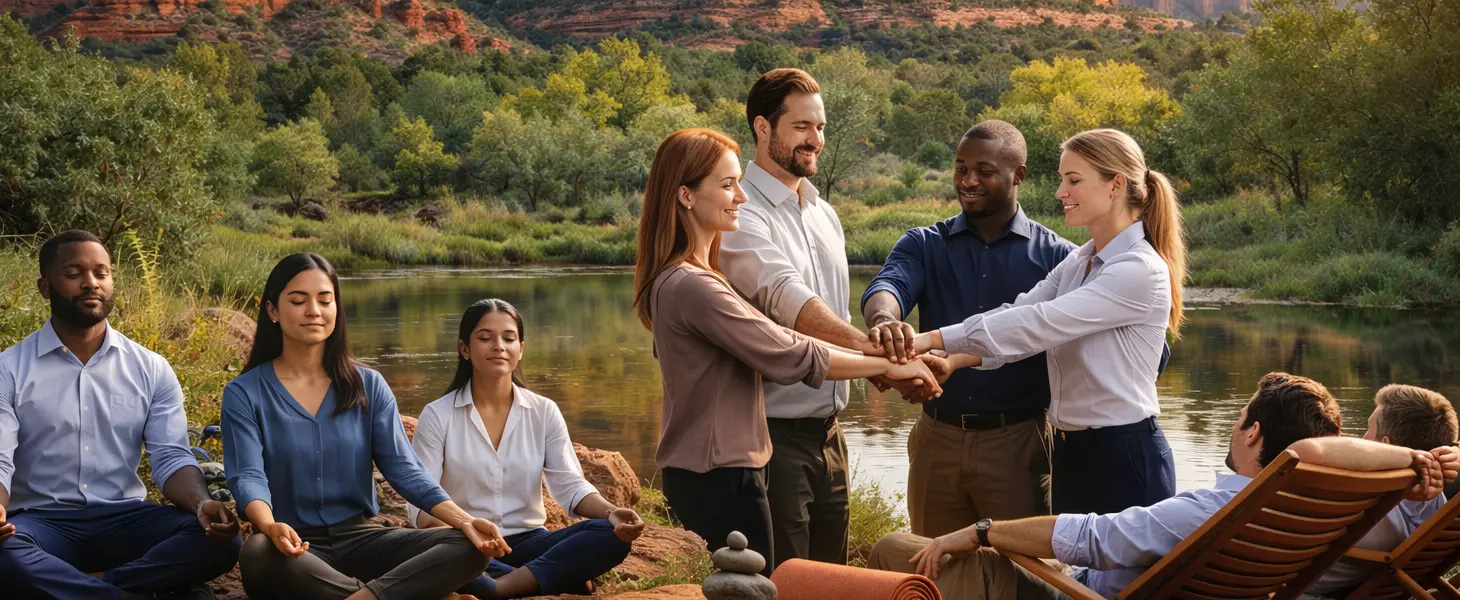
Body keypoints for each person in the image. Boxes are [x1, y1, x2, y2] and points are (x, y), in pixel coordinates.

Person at [632, 128, 943, 574]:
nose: (740, 195)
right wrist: (892, 363)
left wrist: (887, 360)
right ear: (685, 195)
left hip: (722, 470)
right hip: (718, 475)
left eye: (738, 182)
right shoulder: (692, 285)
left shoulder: (699, 277)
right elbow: (788, 351)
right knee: (761, 586)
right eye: (726, 184)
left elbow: (788, 345)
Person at [867, 372, 1458, 600]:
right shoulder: (1395, 523)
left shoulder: (1226, 507)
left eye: (1370, 436)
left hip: (1085, 598)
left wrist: (981, 531)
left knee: (898, 549)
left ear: (1252, 433)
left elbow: (1097, 537)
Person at [912, 128, 1186, 516]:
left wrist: (930, 339)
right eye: (1062, 180)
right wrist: (953, 357)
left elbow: (1039, 324)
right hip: (1072, 452)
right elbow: (1016, 314)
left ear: (1116, 186)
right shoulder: (1079, 261)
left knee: (1126, 579)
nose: (1060, 192)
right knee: (1072, 578)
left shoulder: (1138, 270)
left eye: (1073, 180)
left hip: (1123, 455)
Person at [223, 253, 504, 600]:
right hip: (294, 548)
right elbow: (247, 476)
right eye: (298, 301)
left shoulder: (368, 385)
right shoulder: (244, 392)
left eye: (325, 300)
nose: (314, 310)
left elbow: (406, 470)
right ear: (273, 311)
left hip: (366, 541)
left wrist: (463, 520)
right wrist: (269, 525)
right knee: (257, 552)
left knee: (472, 544)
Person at [860, 121, 1078, 539]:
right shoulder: (923, 243)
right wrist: (886, 321)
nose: (969, 181)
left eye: (984, 170)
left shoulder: (1058, 258)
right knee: (930, 566)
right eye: (961, 169)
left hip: (1018, 443)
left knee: (1021, 576)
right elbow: (888, 286)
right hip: (934, 440)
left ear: (1019, 175)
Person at [0, 230, 240, 600]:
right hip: (42, 523)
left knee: (219, 539)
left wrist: (201, 503)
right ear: (45, 287)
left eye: (102, 272)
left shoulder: (150, 368)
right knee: (5, 553)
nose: (90, 283)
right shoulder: (9, 369)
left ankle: (85, 589)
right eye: (74, 273)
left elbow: (171, 457)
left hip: (125, 520)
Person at [720, 68, 882, 568]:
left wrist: (873, 356)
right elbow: (788, 300)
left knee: (832, 577)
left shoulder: (823, 213)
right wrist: (876, 356)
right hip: (773, 435)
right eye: (802, 127)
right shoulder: (739, 215)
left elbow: (831, 309)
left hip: (832, 435)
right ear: (763, 128)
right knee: (786, 577)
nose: (816, 139)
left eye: (821, 127)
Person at [409, 298, 645, 599]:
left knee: (607, 534)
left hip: (531, 541)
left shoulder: (543, 411)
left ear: (521, 348)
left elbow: (569, 484)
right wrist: (466, 532)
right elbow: (420, 504)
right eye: (485, 338)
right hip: (465, 544)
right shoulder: (438, 415)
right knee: (440, 563)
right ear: (464, 349)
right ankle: (550, 577)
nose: (499, 346)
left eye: (509, 338)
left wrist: (613, 513)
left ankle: (503, 587)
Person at [1307, 384, 1460, 597]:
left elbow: (1310, 450)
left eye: (1368, 430)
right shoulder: (1437, 505)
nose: (1361, 438)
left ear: (1386, 445)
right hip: (1396, 585)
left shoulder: (1367, 502)